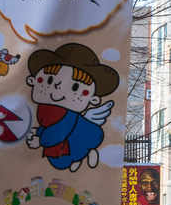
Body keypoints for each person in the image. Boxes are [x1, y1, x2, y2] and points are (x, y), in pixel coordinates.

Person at [24, 43, 119, 172]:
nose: (57, 87)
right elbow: (49, 125)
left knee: (60, 161)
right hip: (70, 139)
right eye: (49, 80)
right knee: (60, 159)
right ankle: (80, 157)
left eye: (75, 87)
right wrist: (39, 133)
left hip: (81, 136)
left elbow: (56, 130)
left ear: (93, 99)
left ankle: (85, 155)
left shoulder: (68, 115)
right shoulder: (45, 108)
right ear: (33, 80)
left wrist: (40, 141)